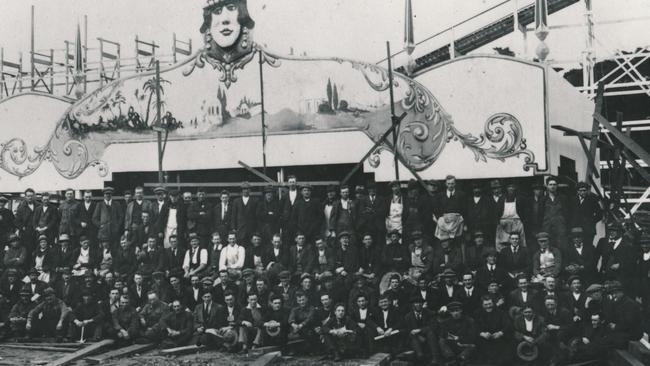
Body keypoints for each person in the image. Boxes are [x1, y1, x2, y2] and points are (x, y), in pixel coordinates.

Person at [603, 281, 643, 349]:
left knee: (609, 341)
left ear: (622, 292)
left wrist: (616, 326)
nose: (614, 296)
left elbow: (630, 324)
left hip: (632, 334)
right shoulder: (617, 302)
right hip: (622, 331)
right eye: (613, 294)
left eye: (616, 293)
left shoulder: (630, 304)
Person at [404, 295, 440, 365]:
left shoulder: (430, 313)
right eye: (416, 303)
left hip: (428, 335)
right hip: (414, 337)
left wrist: (420, 330)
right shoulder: (408, 316)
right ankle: (421, 357)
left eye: (420, 303)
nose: (418, 305)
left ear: (423, 304)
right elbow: (408, 330)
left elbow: (433, 326)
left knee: (431, 333)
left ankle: (435, 358)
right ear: (412, 305)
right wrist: (418, 336)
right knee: (413, 337)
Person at [474, 296, 510, 366]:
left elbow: (508, 325)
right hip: (483, 340)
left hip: (498, 339)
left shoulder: (501, 313)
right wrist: (482, 333)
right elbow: (475, 327)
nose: (488, 306)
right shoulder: (477, 313)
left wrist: (500, 333)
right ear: (482, 305)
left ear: (493, 303)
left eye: (490, 304)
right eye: (486, 304)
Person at [438, 301, 476, 365]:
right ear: (450, 312)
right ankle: (451, 358)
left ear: (461, 310)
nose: (455, 313)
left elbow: (472, 336)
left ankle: (461, 358)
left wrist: (459, 338)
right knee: (441, 341)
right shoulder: (446, 322)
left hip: (464, 345)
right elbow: (442, 335)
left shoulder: (469, 321)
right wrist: (450, 337)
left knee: (472, 346)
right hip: (452, 346)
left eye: (457, 310)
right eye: (452, 311)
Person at [569, 182, 602, 246]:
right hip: (576, 229)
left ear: (587, 190)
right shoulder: (572, 200)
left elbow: (600, 214)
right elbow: (569, 214)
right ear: (577, 191)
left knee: (588, 247)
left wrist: (591, 221)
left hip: (588, 229)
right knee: (577, 247)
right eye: (580, 191)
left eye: (584, 190)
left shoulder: (592, 200)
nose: (583, 192)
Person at [542, 177, 569, 249]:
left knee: (562, 247)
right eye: (550, 184)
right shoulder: (543, 199)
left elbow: (567, 213)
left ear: (557, 186)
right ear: (547, 186)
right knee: (548, 248)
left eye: (554, 184)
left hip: (560, 228)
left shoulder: (563, 198)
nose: (552, 186)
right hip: (547, 228)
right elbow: (540, 215)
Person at [230, 182, 258, 247]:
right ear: (242, 191)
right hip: (240, 230)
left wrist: (256, 230)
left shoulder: (254, 201)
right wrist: (233, 228)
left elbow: (256, 216)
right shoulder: (236, 201)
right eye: (244, 189)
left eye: (247, 189)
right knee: (240, 247)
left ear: (250, 190)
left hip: (251, 229)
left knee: (251, 247)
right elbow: (233, 216)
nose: (245, 191)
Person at [14, 188, 39, 254]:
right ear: (25, 197)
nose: (30, 197)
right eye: (28, 196)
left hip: (37, 232)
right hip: (26, 234)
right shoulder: (21, 208)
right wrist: (22, 227)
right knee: (26, 251)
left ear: (34, 196)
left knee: (37, 250)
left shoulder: (39, 206)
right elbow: (16, 221)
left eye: (31, 196)